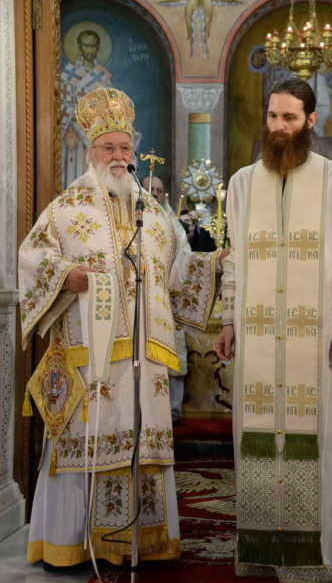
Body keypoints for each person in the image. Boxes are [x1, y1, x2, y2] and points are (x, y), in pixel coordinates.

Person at [19, 87, 224, 569]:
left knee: (140, 443)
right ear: (91, 152)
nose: (118, 156)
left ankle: (142, 542)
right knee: (85, 443)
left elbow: (180, 274)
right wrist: (65, 276)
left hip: (145, 362)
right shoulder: (66, 207)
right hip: (88, 358)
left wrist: (219, 264)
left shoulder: (154, 216)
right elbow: (32, 257)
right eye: (108, 147)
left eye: (125, 147)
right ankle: (71, 545)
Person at [215, 79, 332, 582]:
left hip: (316, 338)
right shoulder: (242, 183)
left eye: (289, 117)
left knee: (319, 438)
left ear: (310, 120)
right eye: (272, 116)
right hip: (258, 338)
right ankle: (264, 552)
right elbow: (234, 259)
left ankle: (318, 557)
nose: (279, 127)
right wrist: (229, 319)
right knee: (257, 438)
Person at [147, 175, 189, 423]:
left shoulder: (175, 226)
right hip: (143, 300)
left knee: (174, 351)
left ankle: (173, 408)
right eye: (150, 189)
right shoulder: (131, 220)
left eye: (159, 190)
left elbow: (185, 256)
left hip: (169, 299)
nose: (155, 193)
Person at [61, 29, 113, 188]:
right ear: (79, 47)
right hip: (71, 134)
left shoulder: (103, 77)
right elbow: (60, 104)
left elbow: (109, 109)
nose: (89, 50)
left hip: (93, 136)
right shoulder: (68, 73)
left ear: (98, 48)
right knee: (69, 173)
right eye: (86, 46)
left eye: (92, 46)